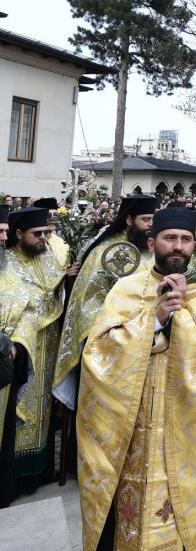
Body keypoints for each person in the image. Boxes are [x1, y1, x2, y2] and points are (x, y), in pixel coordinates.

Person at [78, 207, 196, 550]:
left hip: (182, 432)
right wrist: (156, 317)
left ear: (194, 245)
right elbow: (98, 354)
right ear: (152, 242)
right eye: (170, 238)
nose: (178, 246)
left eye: (186, 239)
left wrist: (184, 318)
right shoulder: (126, 289)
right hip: (130, 431)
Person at [53, 194, 157, 414]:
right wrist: (120, 328)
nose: (151, 225)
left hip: (148, 341)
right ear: (129, 220)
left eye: (153, 219)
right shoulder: (105, 252)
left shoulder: (151, 250)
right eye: (146, 220)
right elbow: (86, 302)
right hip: (110, 343)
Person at [0, 207, 66, 507]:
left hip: (47, 348)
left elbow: (53, 291)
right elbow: (15, 303)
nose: (43, 239)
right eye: (37, 234)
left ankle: (38, 473)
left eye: (46, 234)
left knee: (43, 416)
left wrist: (66, 281)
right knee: (18, 416)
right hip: (22, 351)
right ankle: (14, 478)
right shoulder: (8, 262)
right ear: (18, 234)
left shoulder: (47, 257)